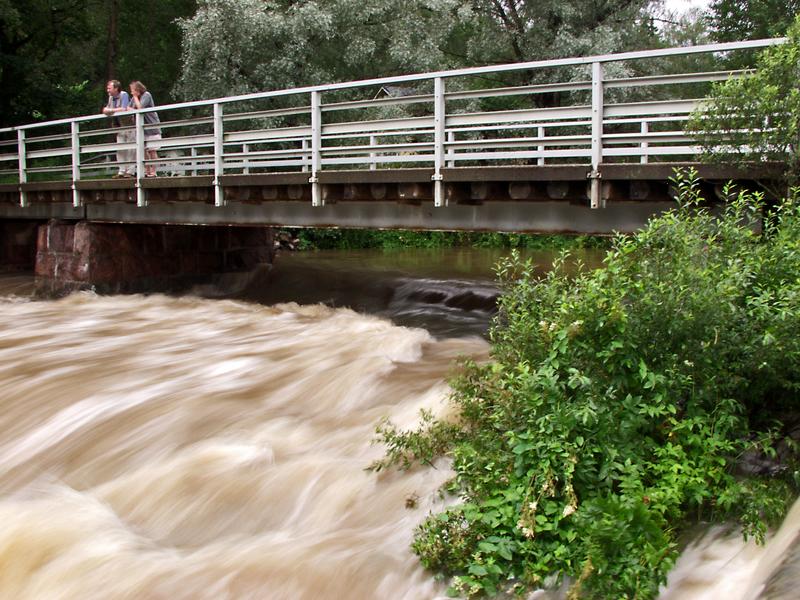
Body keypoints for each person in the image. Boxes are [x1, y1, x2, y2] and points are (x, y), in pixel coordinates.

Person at [101, 80, 135, 178]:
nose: (108, 90)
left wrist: (111, 110)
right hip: (119, 125)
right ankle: (121, 171)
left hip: (129, 125)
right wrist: (110, 110)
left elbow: (124, 108)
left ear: (116, 88)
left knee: (131, 148)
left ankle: (130, 171)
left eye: (109, 88)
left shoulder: (123, 94)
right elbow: (105, 110)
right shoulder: (111, 97)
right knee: (120, 148)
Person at [128, 81, 162, 177]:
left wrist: (135, 98)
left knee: (152, 150)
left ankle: (153, 171)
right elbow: (128, 108)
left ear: (138, 90)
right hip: (142, 130)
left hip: (152, 127)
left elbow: (140, 108)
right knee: (143, 151)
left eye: (133, 91)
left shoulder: (146, 95)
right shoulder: (134, 98)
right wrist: (133, 103)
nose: (132, 93)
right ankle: (147, 171)